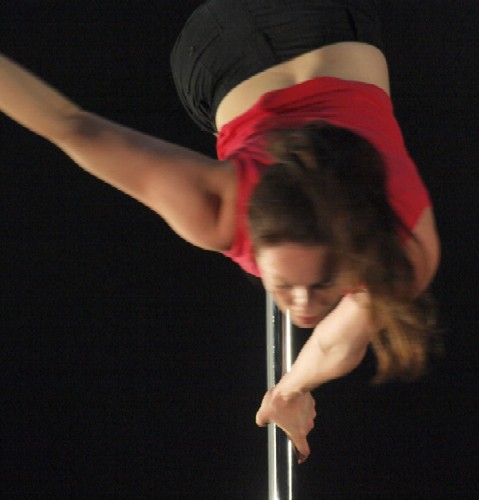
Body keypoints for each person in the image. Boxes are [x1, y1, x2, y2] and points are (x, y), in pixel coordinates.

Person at [0, 0, 440, 463]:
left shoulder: (396, 245)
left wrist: (289, 391)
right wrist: (287, 391)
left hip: (235, 45)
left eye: (321, 283)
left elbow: (337, 340)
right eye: (284, 284)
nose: (303, 306)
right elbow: (71, 127)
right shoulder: (222, 211)